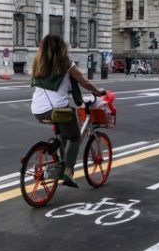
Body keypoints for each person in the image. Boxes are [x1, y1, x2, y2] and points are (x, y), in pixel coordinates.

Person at [31, 34, 105, 188]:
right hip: (58, 111)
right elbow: (83, 81)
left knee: (63, 133)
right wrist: (97, 91)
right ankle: (69, 172)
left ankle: (57, 158)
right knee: (76, 137)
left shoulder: (37, 62)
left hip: (37, 110)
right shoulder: (66, 63)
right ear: (62, 48)